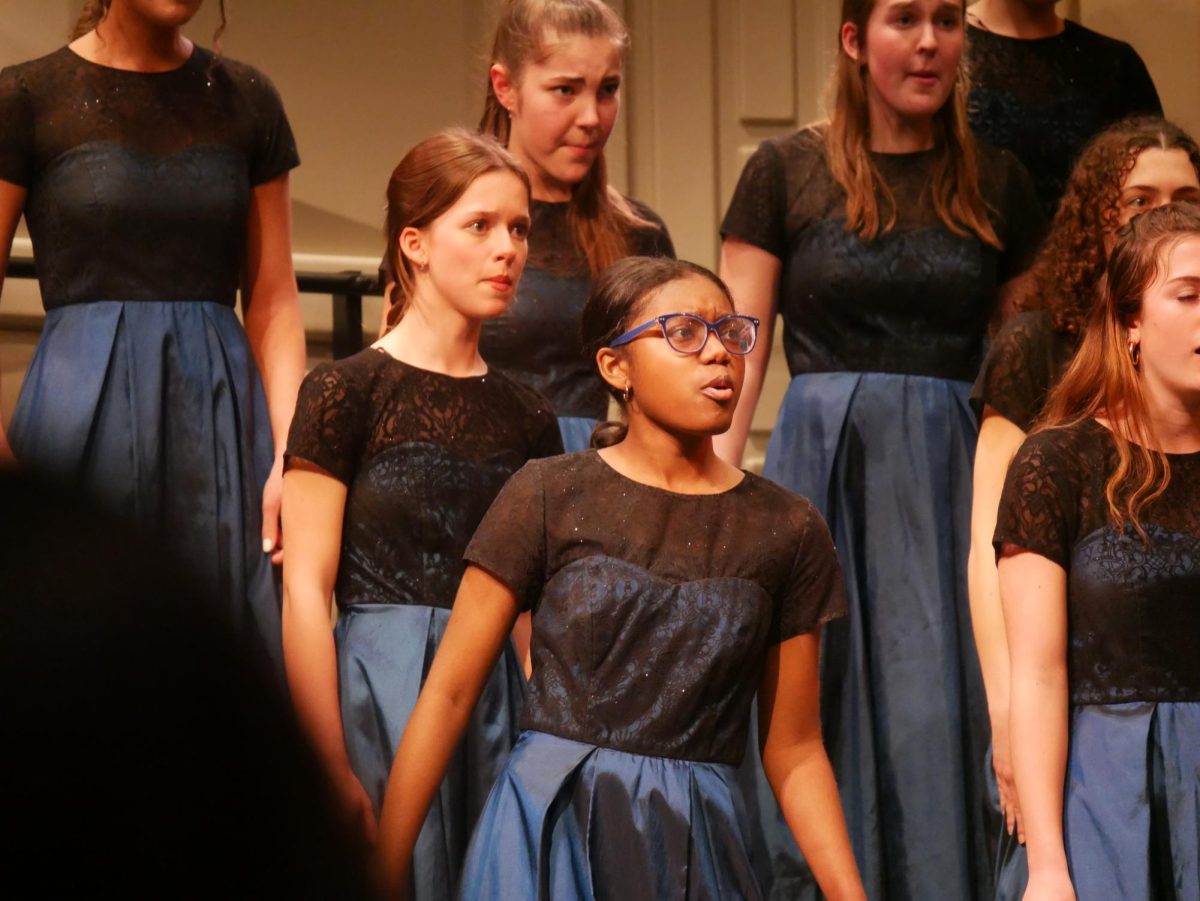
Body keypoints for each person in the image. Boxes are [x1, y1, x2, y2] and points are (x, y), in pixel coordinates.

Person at [374, 256, 866, 901]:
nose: (719, 354)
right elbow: (449, 695)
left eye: (731, 333)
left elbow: (795, 747)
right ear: (616, 367)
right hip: (547, 823)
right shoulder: (550, 492)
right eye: (685, 333)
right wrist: (380, 870)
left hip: (693, 837)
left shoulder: (788, 527)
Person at [716, 1, 1044, 897]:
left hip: (952, 476)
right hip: (824, 473)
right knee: (815, 701)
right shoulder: (785, 171)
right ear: (855, 40)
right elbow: (733, 352)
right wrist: (708, 495)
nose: (931, 41)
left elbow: (1022, 366)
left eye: (947, 18)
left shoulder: (1000, 183)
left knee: (943, 706)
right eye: (905, 18)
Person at [282, 129, 562, 899]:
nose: (507, 248)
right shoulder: (346, 392)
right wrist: (327, 762)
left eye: (519, 228)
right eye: (480, 226)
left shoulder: (527, 416)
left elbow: (533, 615)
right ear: (416, 244)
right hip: (381, 684)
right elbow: (306, 590)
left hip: (495, 694)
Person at [0, 0, 306, 670]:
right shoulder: (26, 96)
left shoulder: (248, 99)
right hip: (78, 414)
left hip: (217, 422)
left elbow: (274, 298)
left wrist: (291, 453)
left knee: (217, 655)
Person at [967, 115, 1200, 898]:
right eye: (1190, 295)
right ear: (1132, 321)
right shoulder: (1059, 461)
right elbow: (1037, 674)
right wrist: (1047, 866)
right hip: (1105, 792)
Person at [477, 0, 675, 451]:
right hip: (472, 473)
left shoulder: (639, 235)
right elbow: (398, 371)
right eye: (566, 90)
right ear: (506, 87)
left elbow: (662, 392)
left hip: (594, 485)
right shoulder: (450, 221)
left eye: (607, 89)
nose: (591, 117)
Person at [966, 0, 1162, 217]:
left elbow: (1156, 188)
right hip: (968, 243)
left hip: (1091, 246)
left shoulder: (1117, 65)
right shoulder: (945, 51)